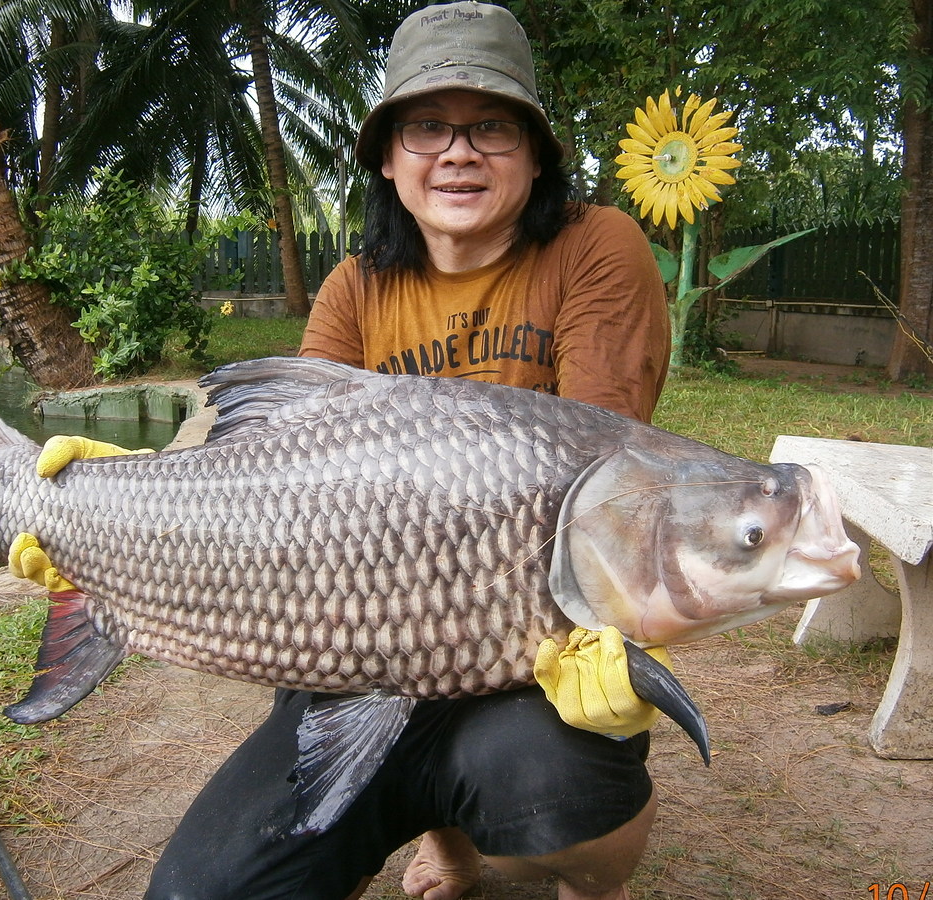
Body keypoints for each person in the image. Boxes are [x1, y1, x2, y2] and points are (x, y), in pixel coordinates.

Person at [140, 3, 671, 899]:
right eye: (426, 126)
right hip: (377, 628)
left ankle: (592, 877)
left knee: (552, 801)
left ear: (534, 153)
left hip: (538, 632)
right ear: (388, 158)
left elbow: (599, 489)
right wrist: (122, 502)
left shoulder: (597, 247)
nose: (457, 152)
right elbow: (286, 475)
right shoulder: (355, 288)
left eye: (490, 126)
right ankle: (449, 840)